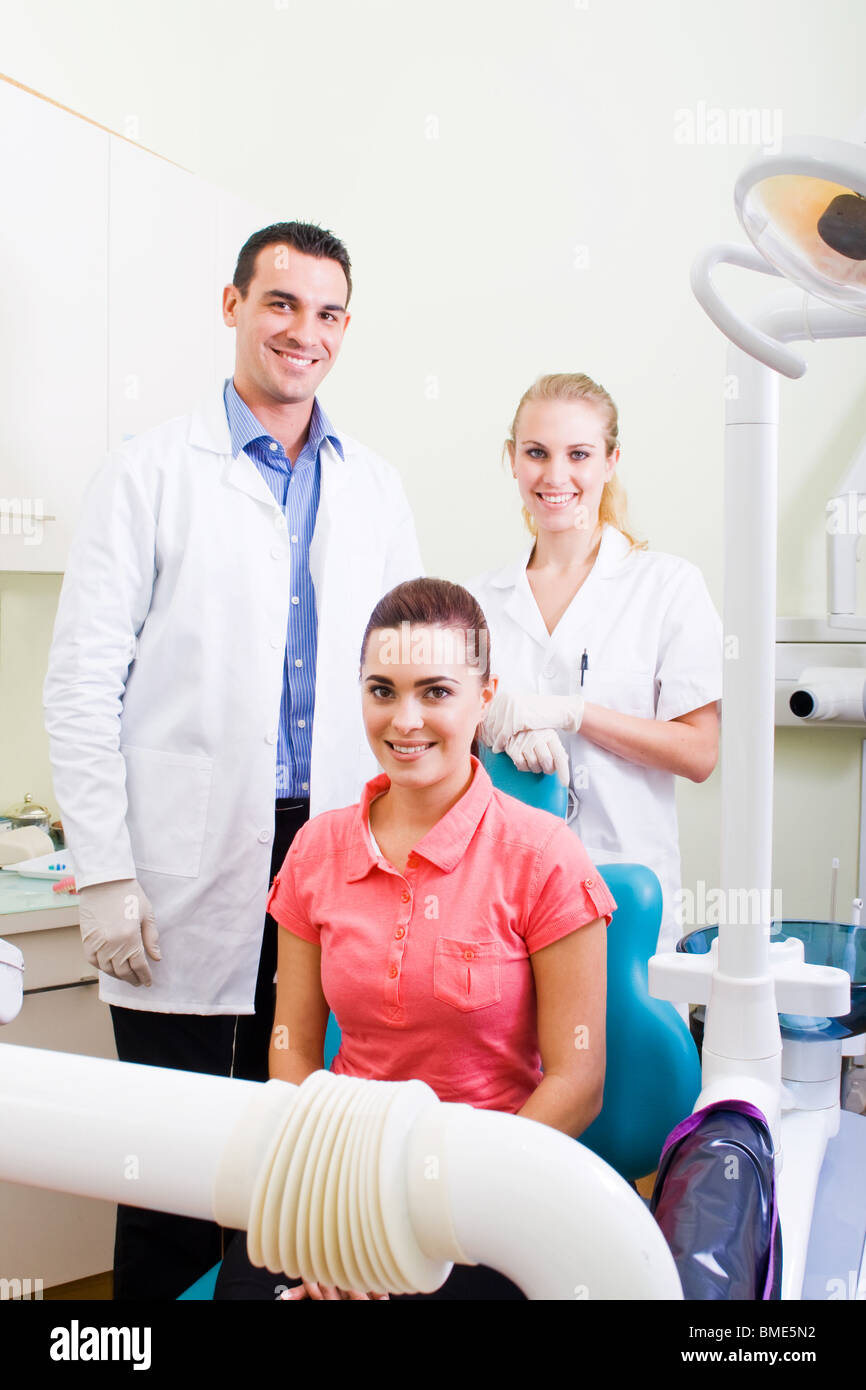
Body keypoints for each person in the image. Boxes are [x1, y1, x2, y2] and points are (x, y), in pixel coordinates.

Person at [42, 221, 423, 1300]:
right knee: (165, 1157)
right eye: (280, 303)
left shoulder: (373, 488)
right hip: (181, 857)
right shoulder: (148, 473)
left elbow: (411, 668)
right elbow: (79, 684)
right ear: (232, 306)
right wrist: (107, 870)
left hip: (335, 850)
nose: (304, 332)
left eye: (328, 312)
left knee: (299, 1149)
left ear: (347, 328)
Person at [215, 576, 614, 1300]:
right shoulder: (317, 850)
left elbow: (578, 1084)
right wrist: (337, 1208)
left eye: (435, 691)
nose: (404, 721)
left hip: (488, 1181)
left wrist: (415, 1220)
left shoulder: (544, 857)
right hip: (342, 1167)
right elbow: (292, 1050)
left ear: (484, 697)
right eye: (382, 690)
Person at [465, 372, 722, 960]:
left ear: (611, 461)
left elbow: (699, 753)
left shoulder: (667, 587)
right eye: (536, 453)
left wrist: (573, 713)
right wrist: (491, 732)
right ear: (512, 459)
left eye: (579, 454)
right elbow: (443, 752)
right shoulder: (476, 602)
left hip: (626, 894)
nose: (555, 476)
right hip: (500, 901)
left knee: (623, 1047)